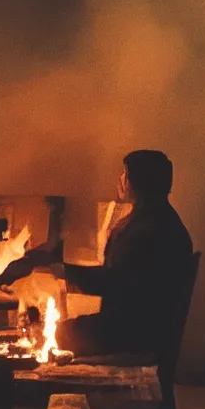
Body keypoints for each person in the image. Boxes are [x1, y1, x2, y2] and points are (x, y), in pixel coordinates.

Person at [57, 150, 195, 358]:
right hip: (149, 326)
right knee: (69, 329)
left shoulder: (145, 229)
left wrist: (64, 272)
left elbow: (114, 283)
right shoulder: (162, 220)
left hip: (136, 332)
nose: (120, 179)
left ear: (135, 182)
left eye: (124, 173)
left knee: (62, 333)